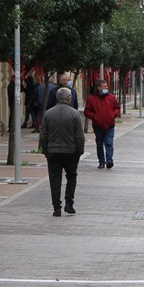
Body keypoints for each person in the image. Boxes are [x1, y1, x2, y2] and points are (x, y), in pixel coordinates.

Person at [40, 87, 85, 217]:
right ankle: (69, 204)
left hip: (53, 152)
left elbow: (43, 135)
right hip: (71, 152)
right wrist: (80, 151)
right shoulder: (75, 114)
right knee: (71, 176)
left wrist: (46, 150)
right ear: (69, 98)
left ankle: (56, 208)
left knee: (55, 179)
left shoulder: (48, 113)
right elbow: (79, 136)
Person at [84, 80, 120, 169]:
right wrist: (95, 116)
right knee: (99, 145)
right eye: (103, 86)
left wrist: (113, 115)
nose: (106, 88)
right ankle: (101, 162)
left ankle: (109, 160)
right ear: (98, 88)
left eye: (106, 86)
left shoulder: (111, 97)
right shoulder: (91, 99)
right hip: (98, 126)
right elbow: (87, 111)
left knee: (109, 143)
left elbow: (117, 108)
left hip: (110, 125)